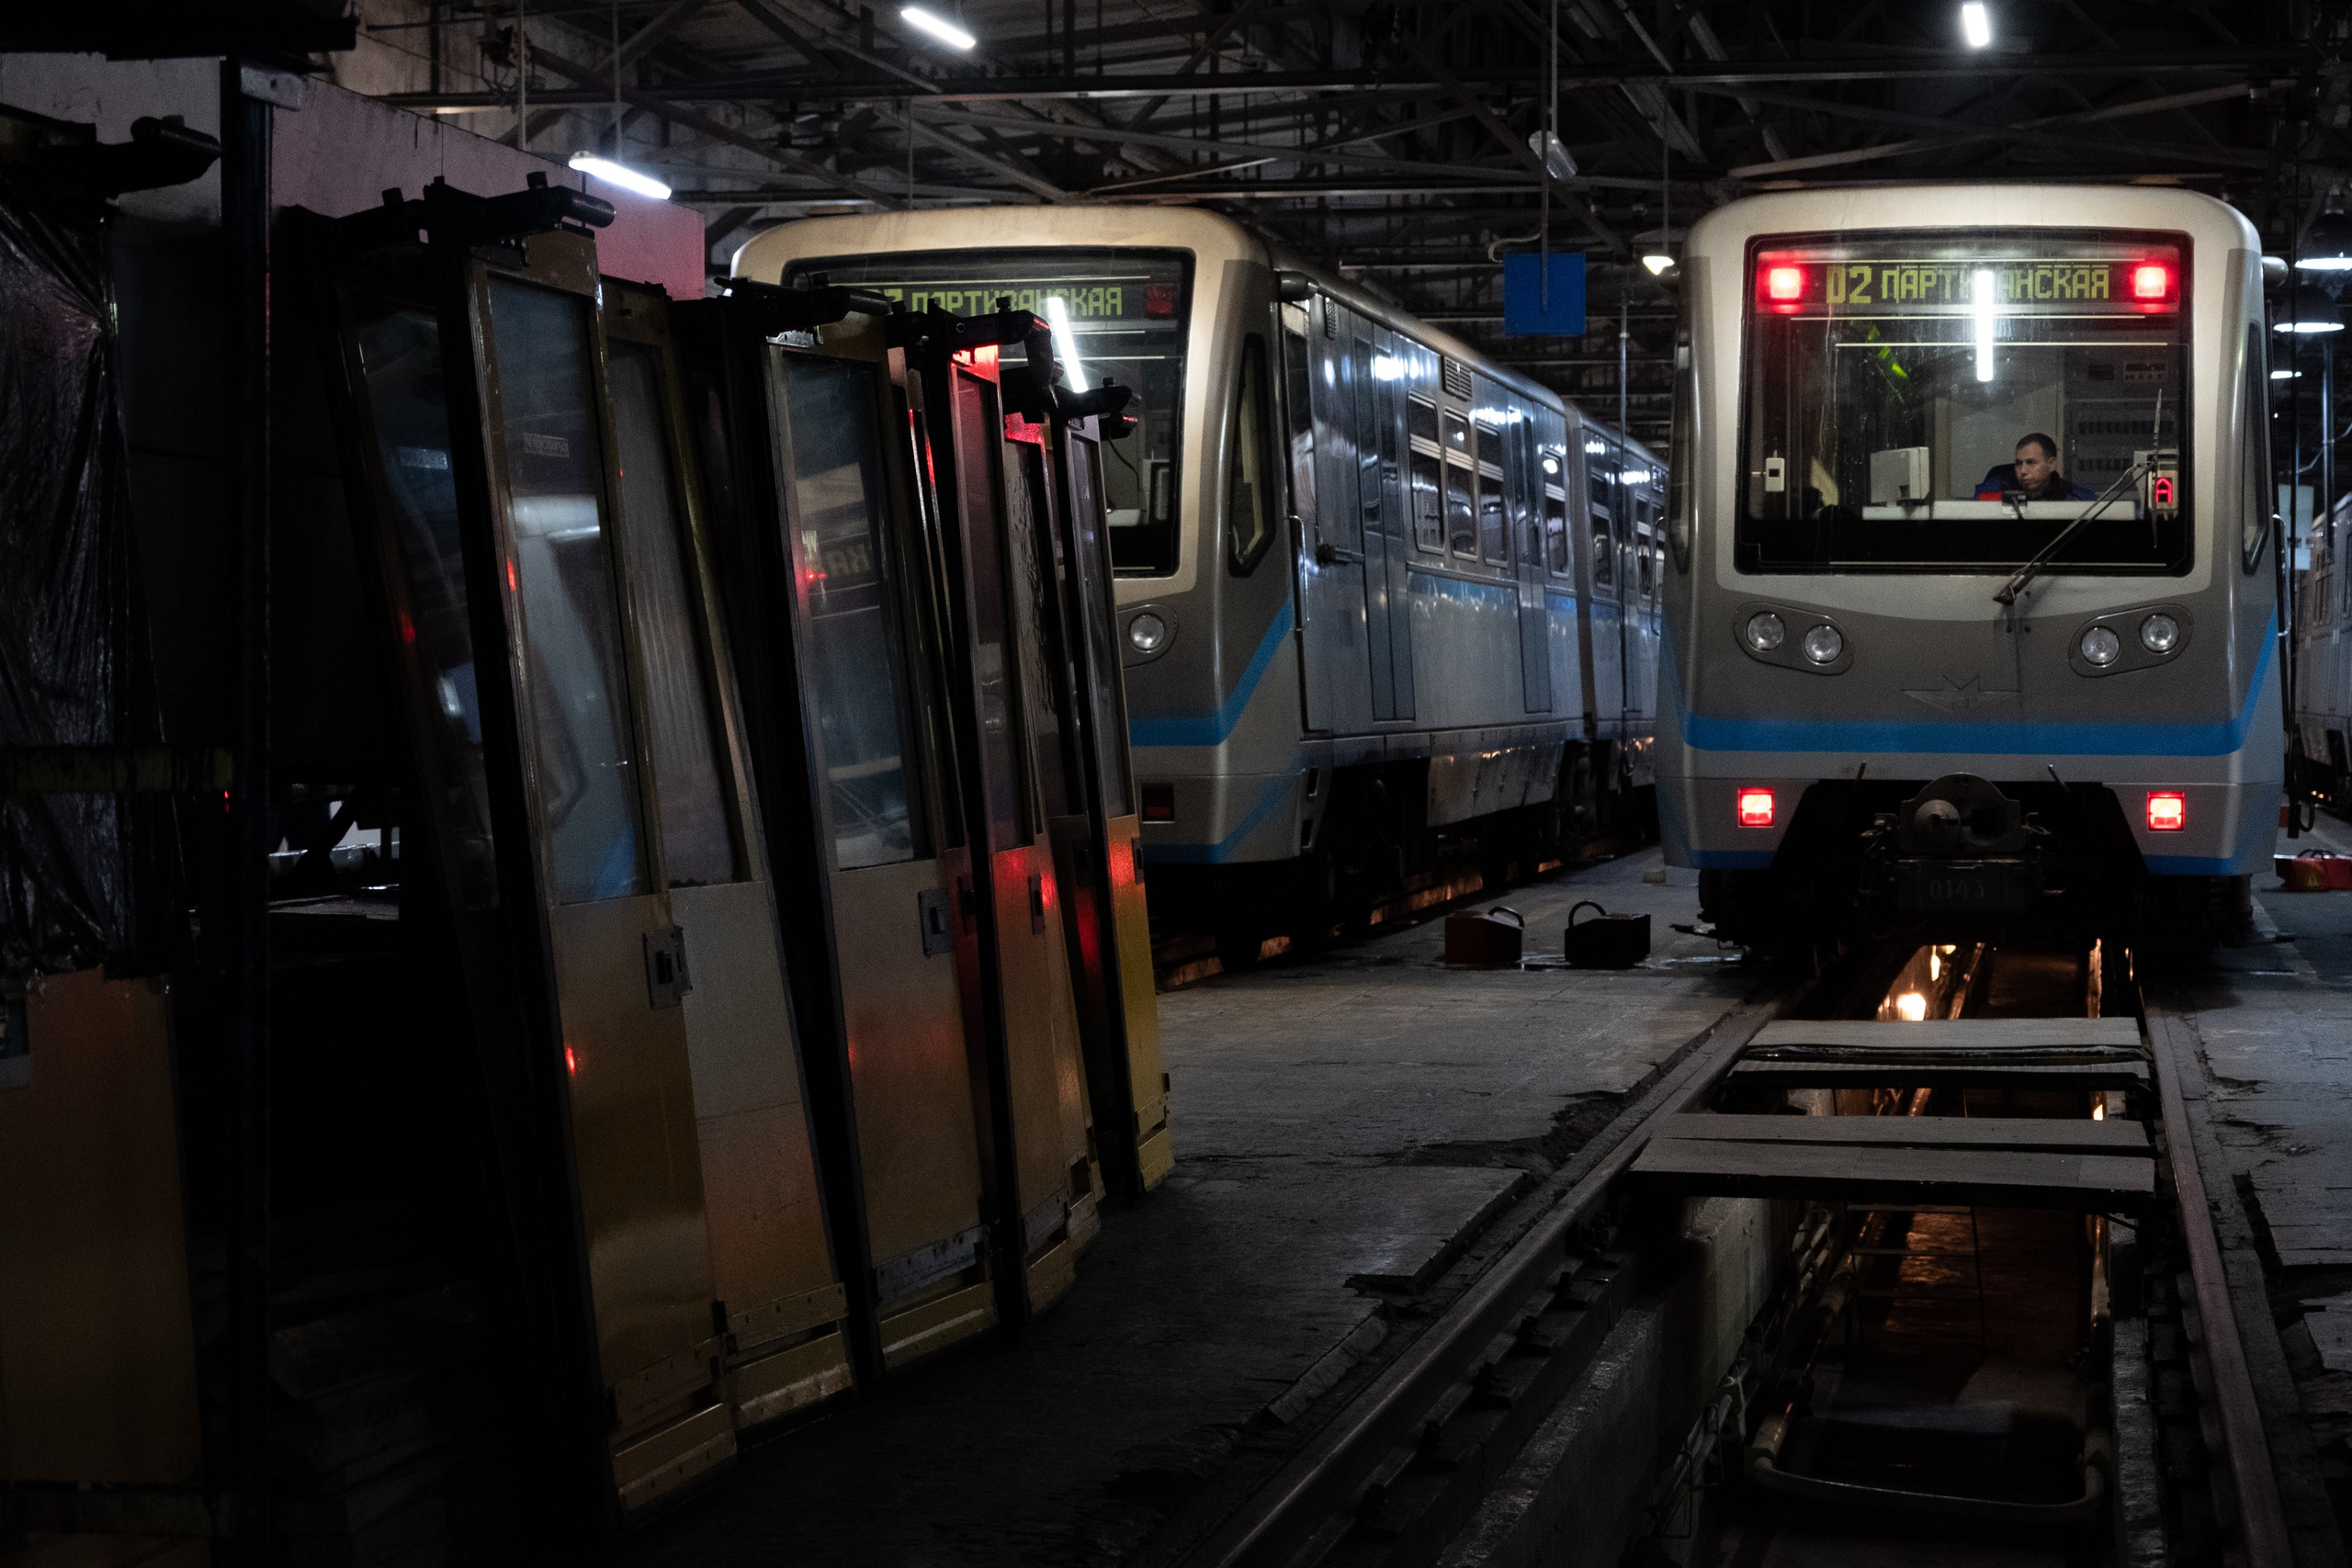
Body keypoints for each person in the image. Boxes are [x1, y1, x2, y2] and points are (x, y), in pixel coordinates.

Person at [1975, 433, 2095, 502]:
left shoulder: (2078, 500)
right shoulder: (1988, 494)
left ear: (2051, 464)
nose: (2023, 471)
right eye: (2018, 463)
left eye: (2031, 462)